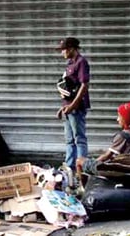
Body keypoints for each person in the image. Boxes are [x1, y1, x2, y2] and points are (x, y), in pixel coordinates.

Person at [76, 101, 130, 179]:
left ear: (126, 119)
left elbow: (106, 156)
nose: (117, 119)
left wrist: (94, 163)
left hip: (125, 169)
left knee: (79, 161)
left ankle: (82, 188)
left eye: (119, 116)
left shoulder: (122, 136)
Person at [56, 37, 90, 171]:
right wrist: (64, 107)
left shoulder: (81, 62)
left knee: (79, 139)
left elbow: (84, 85)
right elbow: (69, 89)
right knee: (69, 140)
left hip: (76, 108)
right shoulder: (70, 63)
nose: (62, 53)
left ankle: (82, 168)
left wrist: (73, 106)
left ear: (71, 49)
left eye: (63, 50)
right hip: (68, 109)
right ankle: (69, 167)